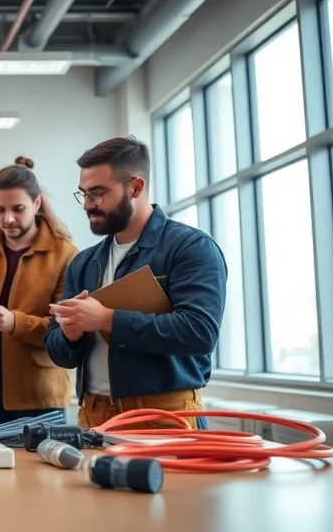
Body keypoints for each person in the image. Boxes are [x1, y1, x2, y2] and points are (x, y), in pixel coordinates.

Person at [45, 137, 227, 430]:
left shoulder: (191, 247)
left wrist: (107, 319)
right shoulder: (84, 262)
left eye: (98, 193)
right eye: (84, 194)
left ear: (136, 187)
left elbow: (200, 332)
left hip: (164, 414)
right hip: (92, 414)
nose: (88, 205)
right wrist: (70, 334)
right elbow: (59, 353)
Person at [0, 156, 78, 424]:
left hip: (39, 395)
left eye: (18, 209)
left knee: (40, 466)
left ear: (37, 203)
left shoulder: (65, 254)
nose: (7, 219)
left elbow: (66, 329)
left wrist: (15, 323)